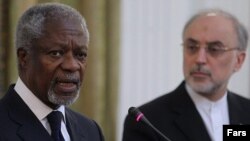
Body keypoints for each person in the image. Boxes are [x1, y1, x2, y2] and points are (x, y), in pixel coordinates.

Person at [122, 9, 250, 141]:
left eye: (214, 49)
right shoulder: (148, 121)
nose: (200, 59)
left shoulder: (247, 111)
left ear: (238, 61)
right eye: (192, 47)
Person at [0, 2, 104, 141]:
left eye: (80, 55)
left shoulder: (91, 130)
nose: (72, 66)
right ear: (24, 57)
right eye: (56, 53)